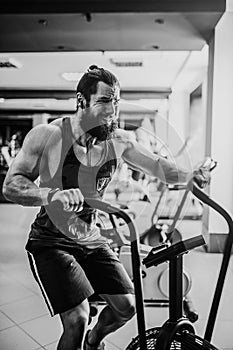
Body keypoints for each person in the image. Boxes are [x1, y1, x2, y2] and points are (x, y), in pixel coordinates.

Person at [2, 65, 210, 350]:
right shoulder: (47, 136)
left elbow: (159, 168)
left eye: (116, 101)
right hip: (50, 242)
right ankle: (82, 333)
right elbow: (11, 185)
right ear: (81, 101)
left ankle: (93, 340)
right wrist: (50, 195)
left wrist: (190, 175)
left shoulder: (120, 141)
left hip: (90, 236)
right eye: (103, 101)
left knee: (126, 308)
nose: (112, 110)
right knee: (77, 317)